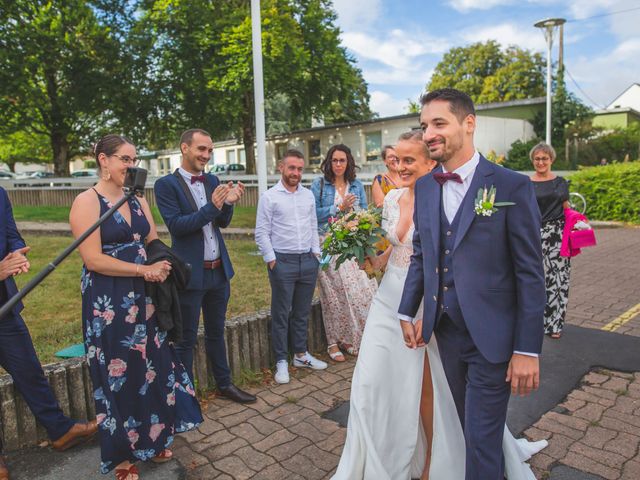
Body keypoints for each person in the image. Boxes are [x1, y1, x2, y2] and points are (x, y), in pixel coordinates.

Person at [333, 130, 547, 480]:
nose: (398, 167)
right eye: (395, 160)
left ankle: (435, 459)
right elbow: (396, 253)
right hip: (390, 302)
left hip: (432, 306)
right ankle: (374, 457)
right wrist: (370, 258)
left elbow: (448, 257)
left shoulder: (450, 195)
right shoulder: (392, 199)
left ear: (430, 161)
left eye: (408, 160)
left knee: (430, 392)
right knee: (371, 384)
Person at [398, 88, 546, 480]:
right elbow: (422, 255)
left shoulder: (511, 185)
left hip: (493, 336)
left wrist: (527, 349)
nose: (428, 133)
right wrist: (406, 310)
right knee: (471, 430)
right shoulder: (428, 185)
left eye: (438, 123)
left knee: (480, 439)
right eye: (424, 125)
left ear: (469, 123)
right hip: (446, 333)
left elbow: (531, 273)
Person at [70, 134, 203, 479]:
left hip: (146, 299)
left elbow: (152, 239)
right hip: (109, 301)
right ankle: (123, 456)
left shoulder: (137, 200)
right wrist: (143, 269)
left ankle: (154, 438)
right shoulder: (87, 202)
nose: (132, 166)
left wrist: (167, 264)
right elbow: (93, 259)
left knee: (154, 367)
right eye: (124, 160)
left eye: (134, 160)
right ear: (103, 160)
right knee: (120, 374)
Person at [0, 188, 98, 480]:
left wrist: (17, 252)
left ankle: (60, 430)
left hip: (5, 306)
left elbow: (10, 233)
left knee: (29, 369)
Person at [154, 129, 256, 404]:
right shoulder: (166, 185)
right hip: (190, 274)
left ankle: (225, 385)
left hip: (218, 272)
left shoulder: (212, 179)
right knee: (185, 339)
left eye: (209, 150)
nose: (206, 155)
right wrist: (213, 206)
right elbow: (178, 226)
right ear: (184, 148)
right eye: (201, 149)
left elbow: (220, 223)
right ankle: (185, 399)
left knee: (216, 332)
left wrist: (229, 205)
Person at [255, 149, 327, 384]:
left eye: (299, 168)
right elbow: (262, 232)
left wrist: (316, 253)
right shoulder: (270, 197)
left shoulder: (307, 196)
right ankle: (281, 361)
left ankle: (300, 354)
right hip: (282, 262)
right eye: (292, 168)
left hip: (307, 261)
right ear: (281, 167)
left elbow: (314, 226)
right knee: (281, 313)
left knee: (302, 312)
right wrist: (271, 259)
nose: (296, 172)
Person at [310, 144, 377, 362]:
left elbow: (364, 213)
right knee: (333, 293)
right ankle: (332, 342)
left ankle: (350, 338)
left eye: (342, 160)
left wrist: (356, 217)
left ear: (348, 162)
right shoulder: (319, 185)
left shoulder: (356, 185)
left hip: (351, 244)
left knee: (362, 290)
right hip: (327, 245)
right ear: (328, 162)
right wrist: (337, 209)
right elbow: (312, 215)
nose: (338, 164)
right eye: (334, 160)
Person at [530, 142, 571, 339]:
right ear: (533, 161)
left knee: (558, 278)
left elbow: (566, 207)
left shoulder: (560, 182)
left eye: (544, 158)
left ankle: (555, 324)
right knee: (536, 278)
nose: (541, 162)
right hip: (534, 233)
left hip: (558, 235)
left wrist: (578, 223)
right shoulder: (527, 183)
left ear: (551, 159)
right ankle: (536, 321)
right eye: (537, 159)